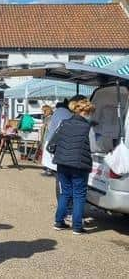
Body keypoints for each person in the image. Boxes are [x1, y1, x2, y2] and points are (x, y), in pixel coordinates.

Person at [48, 98, 95, 235]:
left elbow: (52, 143)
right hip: (80, 165)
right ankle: (76, 227)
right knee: (79, 195)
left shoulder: (64, 123)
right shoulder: (88, 127)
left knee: (65, 193)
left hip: (62, 163)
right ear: (85, 112)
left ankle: (58, 222)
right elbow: (95, 146)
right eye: (90, 112)